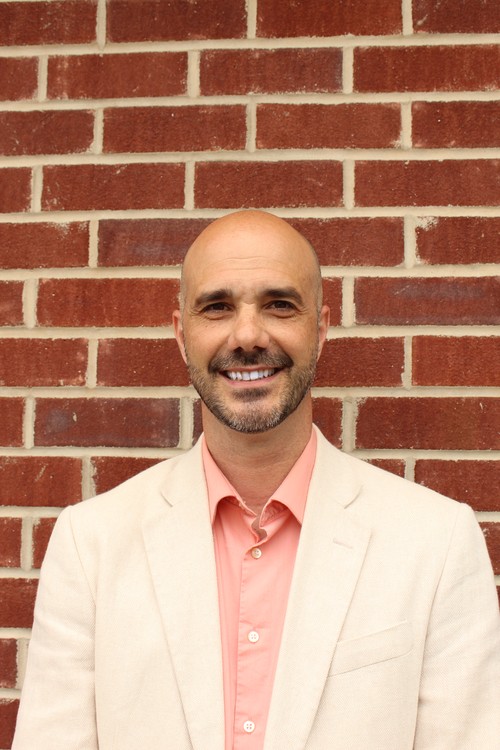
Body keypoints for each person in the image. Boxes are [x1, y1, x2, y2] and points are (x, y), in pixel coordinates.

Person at [13, 210, 499, 749]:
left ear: (320, 330)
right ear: (181, 335)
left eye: (279, 305)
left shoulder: (436, 543)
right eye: (217, 307)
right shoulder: (91, 546)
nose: (247, 335)